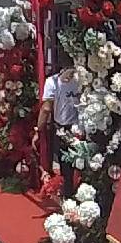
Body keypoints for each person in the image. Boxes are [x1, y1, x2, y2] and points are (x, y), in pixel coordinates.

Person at [37, 50, 81, 198]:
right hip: (81, 127)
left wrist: (39, 128)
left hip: (63, 129)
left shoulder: (52, 82)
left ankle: (69, 196)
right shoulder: (82, 79)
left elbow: (46, 108)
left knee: (66, 167)